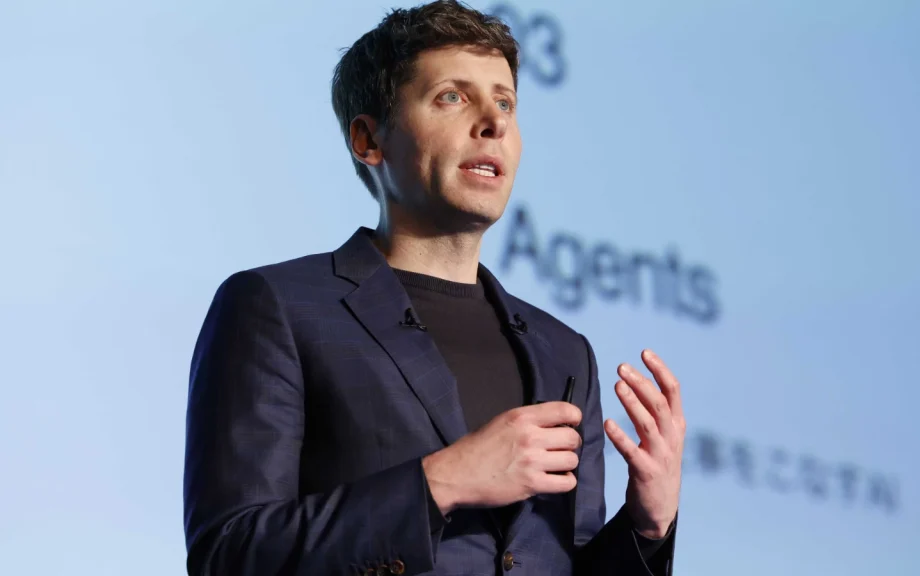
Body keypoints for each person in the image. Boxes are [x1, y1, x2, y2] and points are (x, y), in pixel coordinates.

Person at [183, 1, 685, 574]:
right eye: (452, 97)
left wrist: (647, 527)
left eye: (505, 102)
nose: (494, 122)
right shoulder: (275, 307)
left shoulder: (565, 353)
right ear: (368, 140)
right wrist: (442, 482)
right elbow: (229, 554)